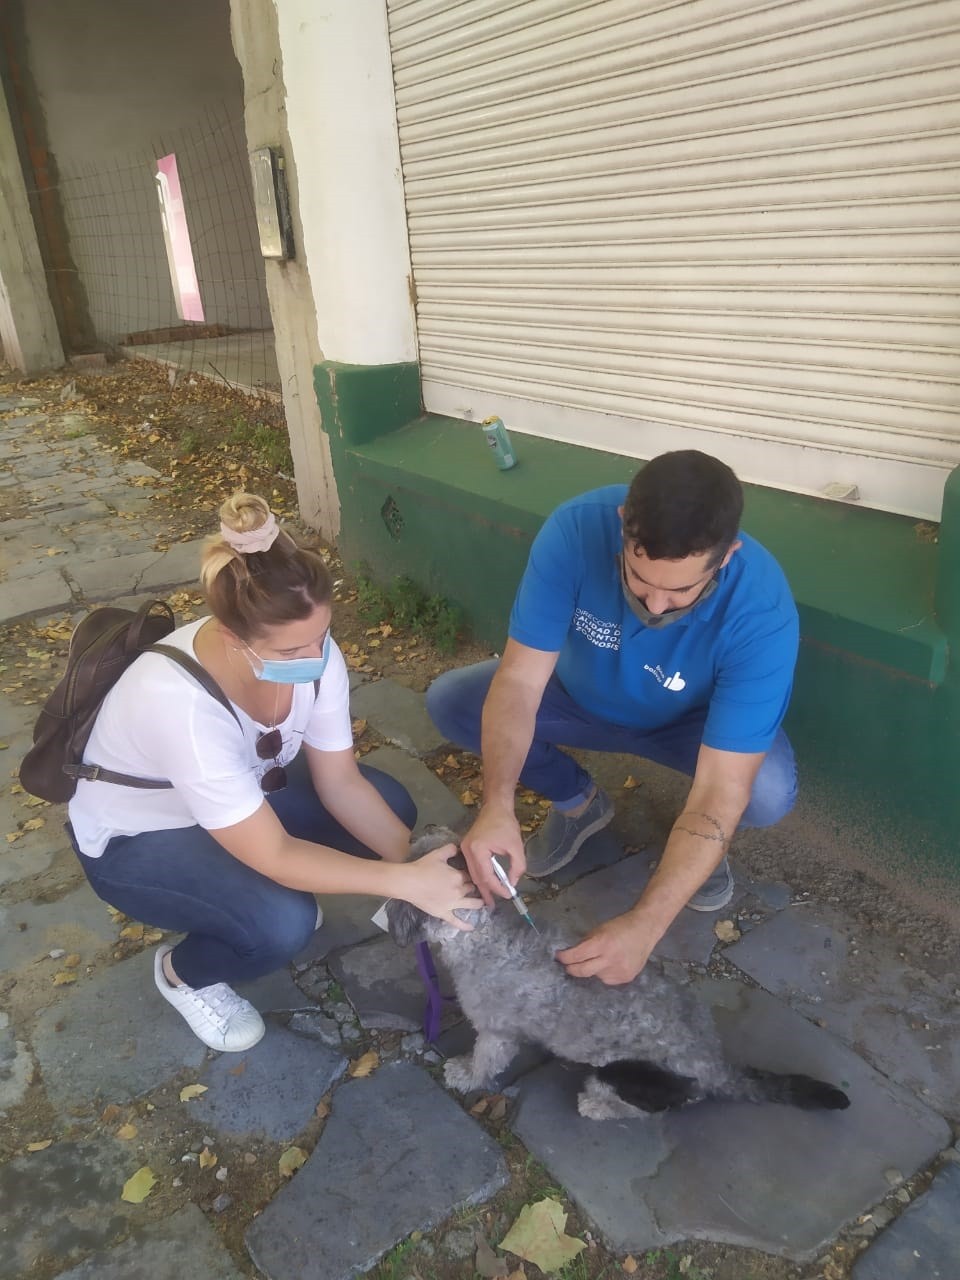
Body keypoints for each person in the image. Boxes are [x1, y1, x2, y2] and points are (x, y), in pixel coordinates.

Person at [67, 493, 476, 1052]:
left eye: (321, 634)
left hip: (238, 799)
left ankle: (346, 891)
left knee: (389, 807)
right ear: (235, 637)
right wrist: (406, 882)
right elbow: (276, 856)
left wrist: (428, 869)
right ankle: (183, 974)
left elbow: (341, 781)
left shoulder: (315, 655)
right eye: (292, 648)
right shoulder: (178, 703)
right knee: (282, 923)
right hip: (139, 837)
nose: (317, 653)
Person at [427, 450, 799, 987]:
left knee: (764, 789)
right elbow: (519, 683)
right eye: (640, 578)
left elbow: (723, 784)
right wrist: (497, 806)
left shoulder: (761, 610)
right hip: (577, 700)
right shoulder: (575, 530)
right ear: (623, 525)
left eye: (681, 592)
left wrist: (645, 926)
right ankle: (579, 804)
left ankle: (695, 850)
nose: (655, 604)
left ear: (727, 556)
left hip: (688, 729)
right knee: (454, 701)